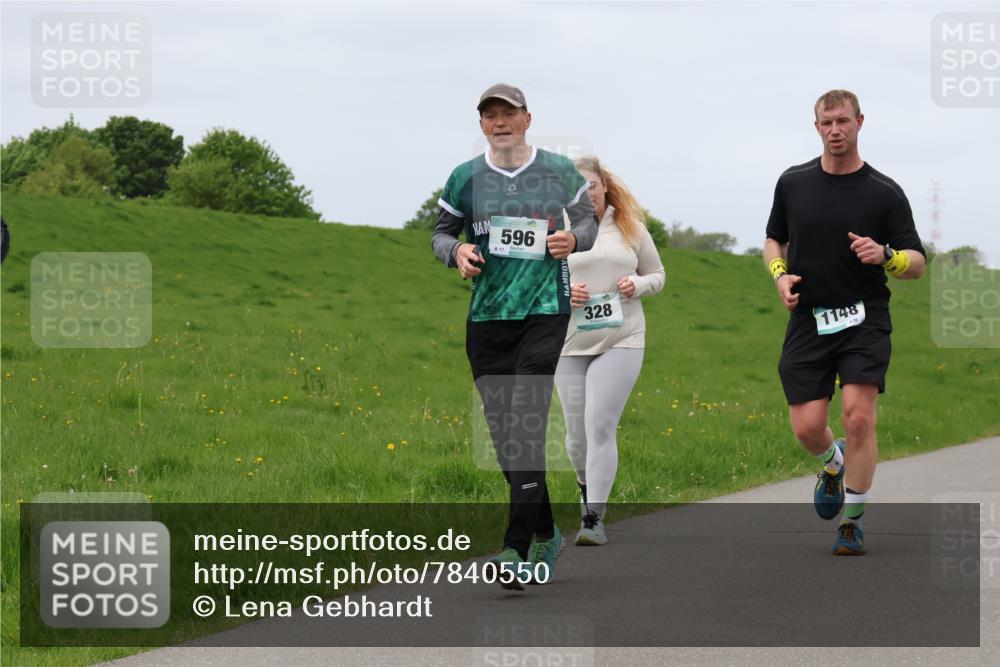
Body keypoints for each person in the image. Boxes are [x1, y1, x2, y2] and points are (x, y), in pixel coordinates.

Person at [431, 83, 598, 588]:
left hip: (544, 312)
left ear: (527, 119)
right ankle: (546, 529)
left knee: (524, 420)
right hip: (487, 318)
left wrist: (574, 239)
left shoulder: (558, 171)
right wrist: (456, 253)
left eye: (509, 113)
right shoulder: (465, 177)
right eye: (490, 115)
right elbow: (441, 233)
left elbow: (588, 221)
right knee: (505, 435)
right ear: (482, 125)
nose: (500, 122)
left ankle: (514, 548)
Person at [764, 89, 926, 556]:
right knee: (808, 427)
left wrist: (887, 255)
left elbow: (917, 263)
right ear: (816, 127)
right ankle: (831, 465)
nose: (835, 130)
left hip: (864, 317)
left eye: (843, 121)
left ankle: (852, 522)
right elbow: (774, 240)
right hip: (810, 318)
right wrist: (780, 275)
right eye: (826, 122)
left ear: (860, 122)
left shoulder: (885, 192)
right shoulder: (793, 183)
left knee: (857, 417)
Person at [553, 156, 664, 546]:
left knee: (599, 425)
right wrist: (566, 292)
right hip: (569, 341)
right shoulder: (558, 227)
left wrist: (638, 285)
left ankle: (593, 517)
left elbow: (658, 274)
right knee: (575, 437)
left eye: (591, 186)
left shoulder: (629, 226)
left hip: (622, 337)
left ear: (604, 186)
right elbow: (538, 279)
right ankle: (585, 487)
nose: (585, 193)